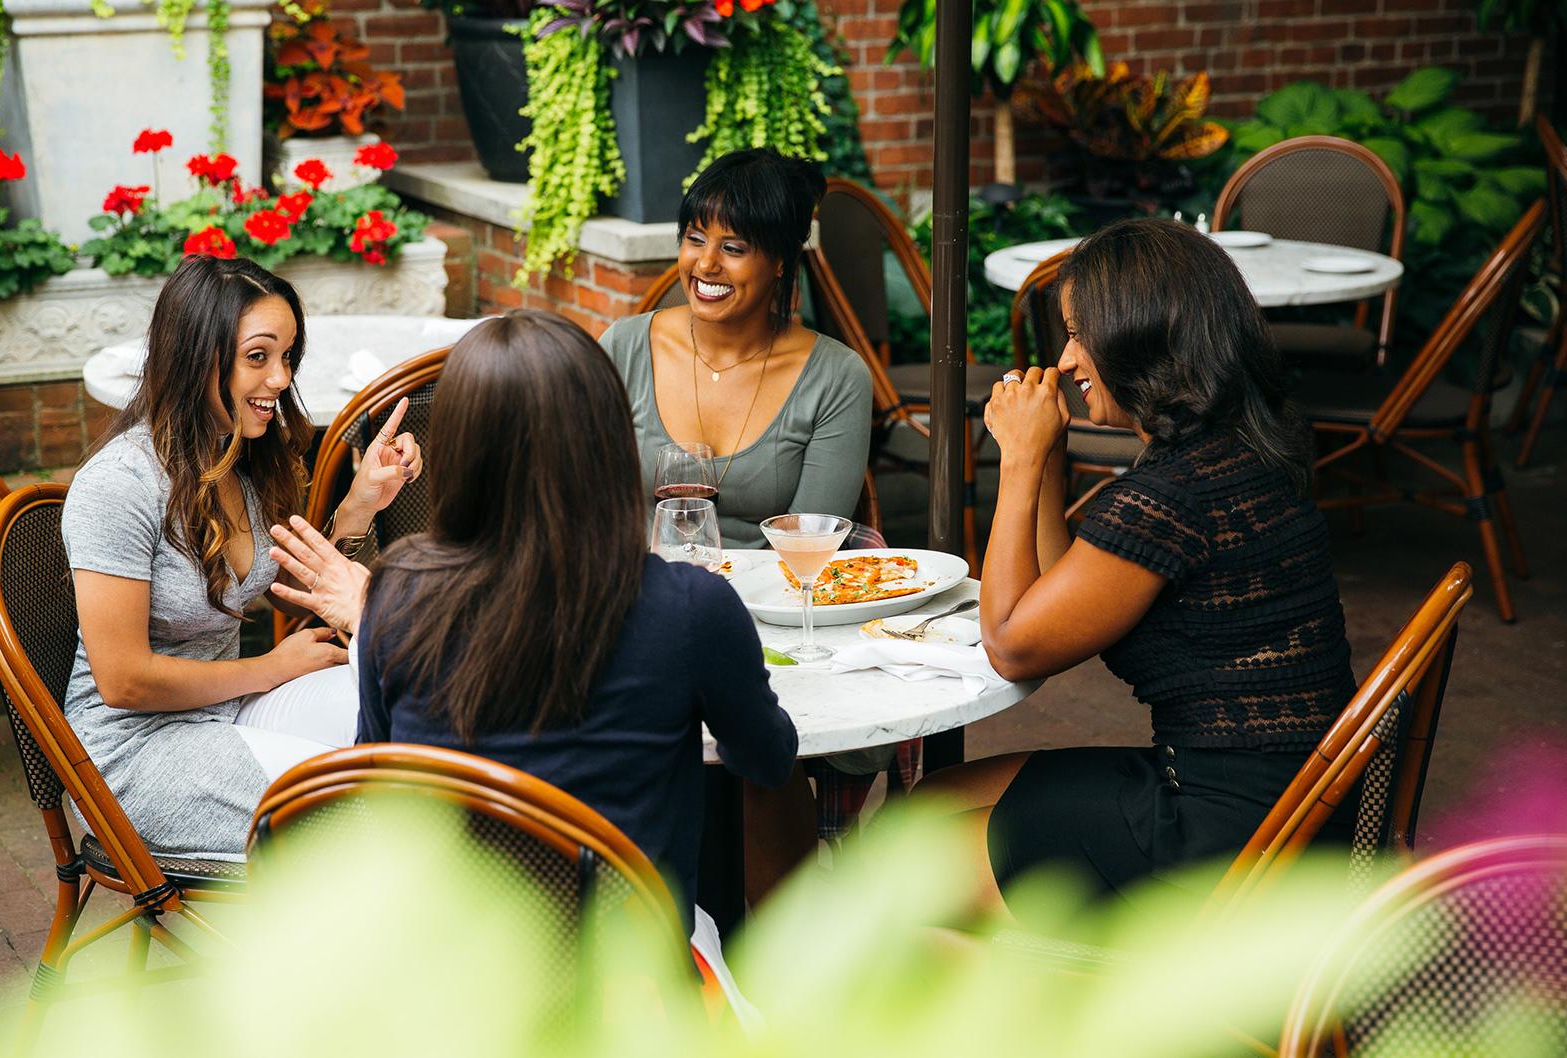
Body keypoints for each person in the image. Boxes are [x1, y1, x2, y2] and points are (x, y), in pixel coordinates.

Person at [265, 310, 798, 939]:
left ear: (456, 452)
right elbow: (768, 761)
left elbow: (381, 785)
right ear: (608, 443)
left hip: (456, 969)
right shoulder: (691, 607)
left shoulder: (397, 593)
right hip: (630, 976)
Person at [919, 218, 1357, 918]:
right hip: (1295, 798)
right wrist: (1049, 457)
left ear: (1138, 337)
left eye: (1078, 334)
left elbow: (1012, 644)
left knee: (905, 871)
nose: (1066, 360)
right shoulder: (1234, 450)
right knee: (924, 806)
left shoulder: (1171, 497)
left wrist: (1019, 461)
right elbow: (1063, 601)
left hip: (1230, 839)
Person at [61, 254, 422, 858]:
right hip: (134, 752)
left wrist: (360, 506)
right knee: (364, 822)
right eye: (258, 357)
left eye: (287, 357)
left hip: (228, 709)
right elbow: (123, 681)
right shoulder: (119, 485)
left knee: (411, 727)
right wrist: (270, 668)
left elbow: (295, 595)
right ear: (194, 357)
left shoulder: (244, 458)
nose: (280, 379)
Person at [597, 147, 874, 550]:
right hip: (640, 579)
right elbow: (579, 498)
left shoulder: (836, 377)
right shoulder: (624, 348)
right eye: (695, 239)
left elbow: (810, 547)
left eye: (733, 248)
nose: (706, 264)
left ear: (780, 261)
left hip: (774, 586)